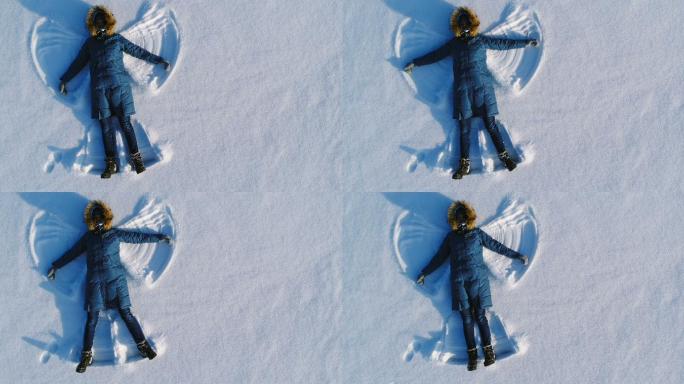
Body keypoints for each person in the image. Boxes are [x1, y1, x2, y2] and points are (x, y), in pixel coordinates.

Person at [404, 7, 539, 179]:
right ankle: (464, 165)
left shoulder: (481, 41)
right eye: (461, 24)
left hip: (483, 90)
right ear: (457, 27)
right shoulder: (454, 45)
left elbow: (504, 44)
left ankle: (505, 158)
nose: (464, 26)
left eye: (467, 23)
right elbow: (435, 55)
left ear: (472, 24)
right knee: (464, 129)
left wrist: (525, 42)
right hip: (463, 92)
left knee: (491, 125)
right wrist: (415, 63)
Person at [47, 200, 171, 373]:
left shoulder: (114, 234)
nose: (97, 220)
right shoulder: (88, 239)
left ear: (106, 218)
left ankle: (143, 346)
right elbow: (72, 253)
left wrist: (158, 237)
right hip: (95, 283)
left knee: (126, 313)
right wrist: (56, 266)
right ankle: (86, 355)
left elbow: (137, 237)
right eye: (94, 217)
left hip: (116, 281)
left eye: (100, 217)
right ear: (90, 220)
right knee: (91, 319)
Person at [58, 5, 171, 178]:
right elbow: (79, 63)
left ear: (109, 23)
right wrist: (65, 79)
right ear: (93, 25)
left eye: (103, 22)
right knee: (106, 126)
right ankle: (111, 164)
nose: (100, 25)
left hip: (120, 88)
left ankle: (137, 160)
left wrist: (158, 60)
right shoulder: (90, 44)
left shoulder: (117, 40)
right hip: (99, 91)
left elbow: (137, 51)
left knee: (125, 123)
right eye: (97, 23)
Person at [416, 201, 528, 371]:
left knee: (480, 317)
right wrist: (425, 272)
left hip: (478, 281)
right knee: (467, 319)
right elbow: (439, 257)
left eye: (463, 217)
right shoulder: (451, 238)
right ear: (454, 220)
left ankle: (489, 353)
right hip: (459, 283)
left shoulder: (477, 234)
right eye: (457, 217)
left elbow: (496, 246)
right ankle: (472, 356)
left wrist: (516, 255)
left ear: (469, 218)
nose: (460, 220)